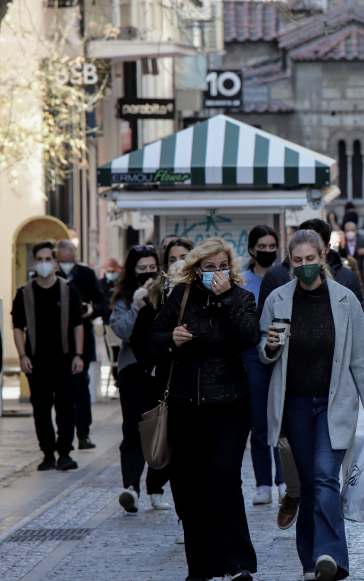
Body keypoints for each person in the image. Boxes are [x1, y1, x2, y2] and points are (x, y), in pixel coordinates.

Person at [258, 230, 364, 581]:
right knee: (310, 487)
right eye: (297, 261)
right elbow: (263, 354)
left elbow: (362, 359)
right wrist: (269, 347)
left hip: (335, 404)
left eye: (310, 260)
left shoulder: (346, 300)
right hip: (295, 404)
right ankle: (311, 563)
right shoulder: (278, 300)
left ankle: (330, 555)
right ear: (290, 262)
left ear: (323, 255)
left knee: (325, 477)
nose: (304, 267)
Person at [150, 238, 259, 581]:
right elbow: (152, 339)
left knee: (224, 477)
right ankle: (200, 567)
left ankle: (238, 562)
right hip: (186, 405)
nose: (216, 273)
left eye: (222, 266)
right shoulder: (179, 297)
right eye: (209, 267)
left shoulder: (241, 298)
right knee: (190, 485)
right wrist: (171, 338)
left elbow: (248, 337)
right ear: (196, 269)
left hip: (229, 404)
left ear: (231, 267)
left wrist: (226, 297)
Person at [109, 245, 175, 513]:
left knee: (162, 426)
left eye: (151, 267)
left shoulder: (168, 291)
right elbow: (121, 331)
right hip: (133, 370)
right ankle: (131, 487)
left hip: (161, 368)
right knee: (133, 428)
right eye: (141, 268)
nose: (147, 273)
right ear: (131, 271)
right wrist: (137, 306)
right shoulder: (124, 297)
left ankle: (157, 488)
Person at [11, 241, 85, 472]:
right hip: (37, 361)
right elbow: (17, 326)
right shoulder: (24, 293)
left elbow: (77, 324)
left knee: (65, 407)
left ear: (54, 262)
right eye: (39, 259)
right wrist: (22, 355)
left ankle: (65, 453)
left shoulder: (68, 289)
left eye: (47, 259)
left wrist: (79, 355)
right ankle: (47, 454)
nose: (43, 264)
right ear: (35, 262)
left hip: (64, 359)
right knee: (41, 409)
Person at [239, 225, 286, 506]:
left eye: (272, 246)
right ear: (251, 249)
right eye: (262, 247)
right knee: (258, 421)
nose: (267, 251)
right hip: (252, 356)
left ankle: (283, 480)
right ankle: (262, 484)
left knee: (280, 419)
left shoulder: (283, 276)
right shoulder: (242, 281)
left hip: (281, 353)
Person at [256, 219, 364, 329]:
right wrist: (270, 345)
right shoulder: (275, 277)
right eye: (298, 259)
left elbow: (360, 327)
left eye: (310, 257)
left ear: (325, 251)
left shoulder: (347, 279)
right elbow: (262, 327)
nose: (304, 264)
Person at [55, 239, 106, 450]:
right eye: (62, 260)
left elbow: (103, 303)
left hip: (82, 340)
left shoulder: (86, 275)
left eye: (70, 259)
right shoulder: (50, 276)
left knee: (81, 386)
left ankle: (83, 433)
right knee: (60, 389)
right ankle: (63, 435)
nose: (66, 264)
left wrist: (92, 310)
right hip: (56, 341)